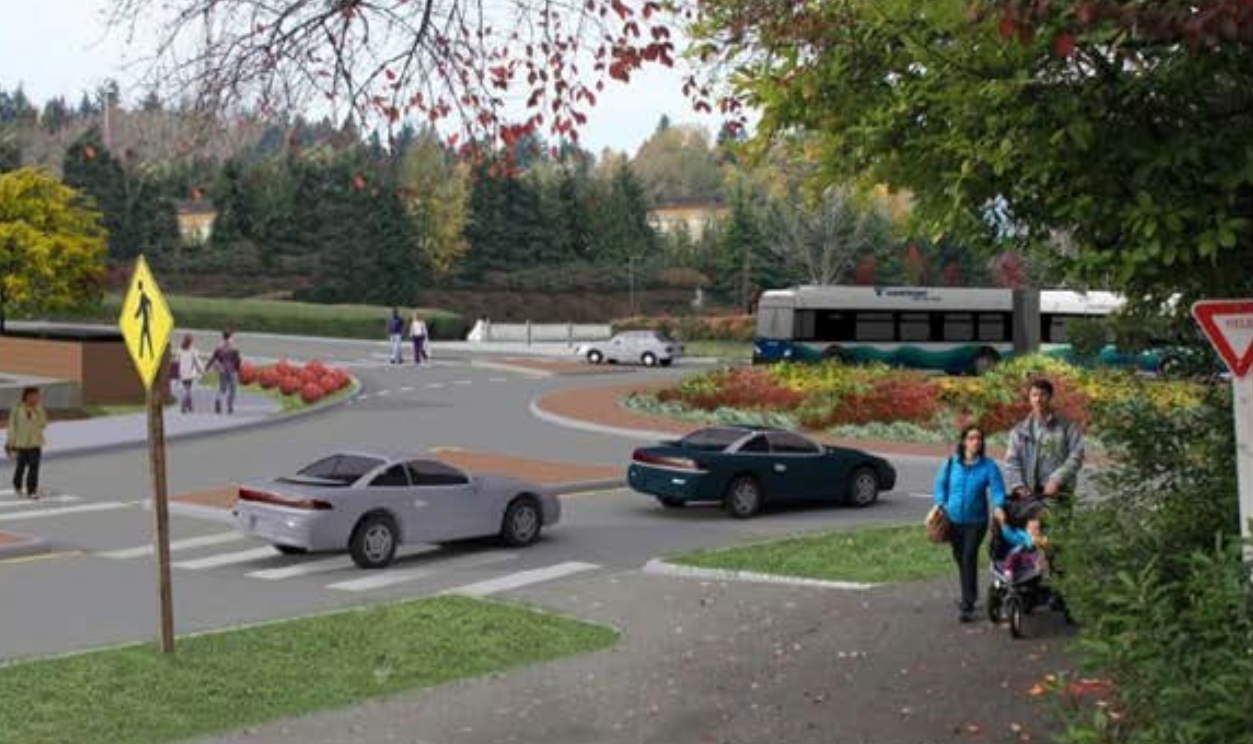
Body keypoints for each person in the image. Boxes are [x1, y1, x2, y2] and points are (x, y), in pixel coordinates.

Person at [934, 424, 1007, 622]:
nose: (976, 442)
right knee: (960, 557)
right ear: (963, 441)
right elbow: (940, 485)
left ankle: (968, 603)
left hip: (976, 522)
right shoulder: (951, 463)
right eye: (972, 438)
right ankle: (970, 592)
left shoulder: (988, 465)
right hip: (953, 521)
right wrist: (940, 503)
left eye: (979, 438)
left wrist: (999, 505)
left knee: (968, 556)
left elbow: (998, 490)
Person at [1000, 378, 1085, 547]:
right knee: (1032, 542)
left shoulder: (1066, 426)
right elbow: (1011, 461)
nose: (1038, 399)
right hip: (1030, 497)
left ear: (1050, 397)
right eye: (1034, 395)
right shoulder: (1020, 430)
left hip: (1058, 495)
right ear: (1029, 398)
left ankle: (1058, 572)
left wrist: (1056, 480)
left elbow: (1076, 456)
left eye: (1042, 394)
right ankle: (1036, 572)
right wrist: (1018, 486)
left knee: (1057, 541)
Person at [5, 387, 48, 500]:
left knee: (34, 467)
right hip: (21, 444)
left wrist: (37, 411)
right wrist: (10, 443)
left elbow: (43, 424)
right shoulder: (17, 409)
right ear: (27, 396)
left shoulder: (39, 408)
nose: (37, 398)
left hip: (35, 443)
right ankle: (17, 485)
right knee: (21, 467)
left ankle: (31, 491)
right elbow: (12, 427)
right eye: (35, 395)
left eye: (38, 396)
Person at [207, 329, 243, 415]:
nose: (233, 339)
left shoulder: (219, 347)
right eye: (232, 337)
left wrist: (207, 367)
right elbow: (238, 361)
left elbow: (213, 358)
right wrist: (238, 370)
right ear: (230, 337)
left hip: (222, 370)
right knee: (233, 389)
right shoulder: (234, 348)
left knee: (222, 388)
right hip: (232, 370)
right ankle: (230, 406)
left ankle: (218, 400)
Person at [176, 334, 205, 413]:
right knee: (188, 390)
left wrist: (177, 373)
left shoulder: (179, 350)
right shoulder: (193, 351)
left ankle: (190, 406)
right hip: (189, 373)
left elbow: (177, 362)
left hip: (182, 372)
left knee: (187, 388)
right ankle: (183, 404)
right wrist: (202, 370)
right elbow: (197, 362)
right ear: (191, 342)